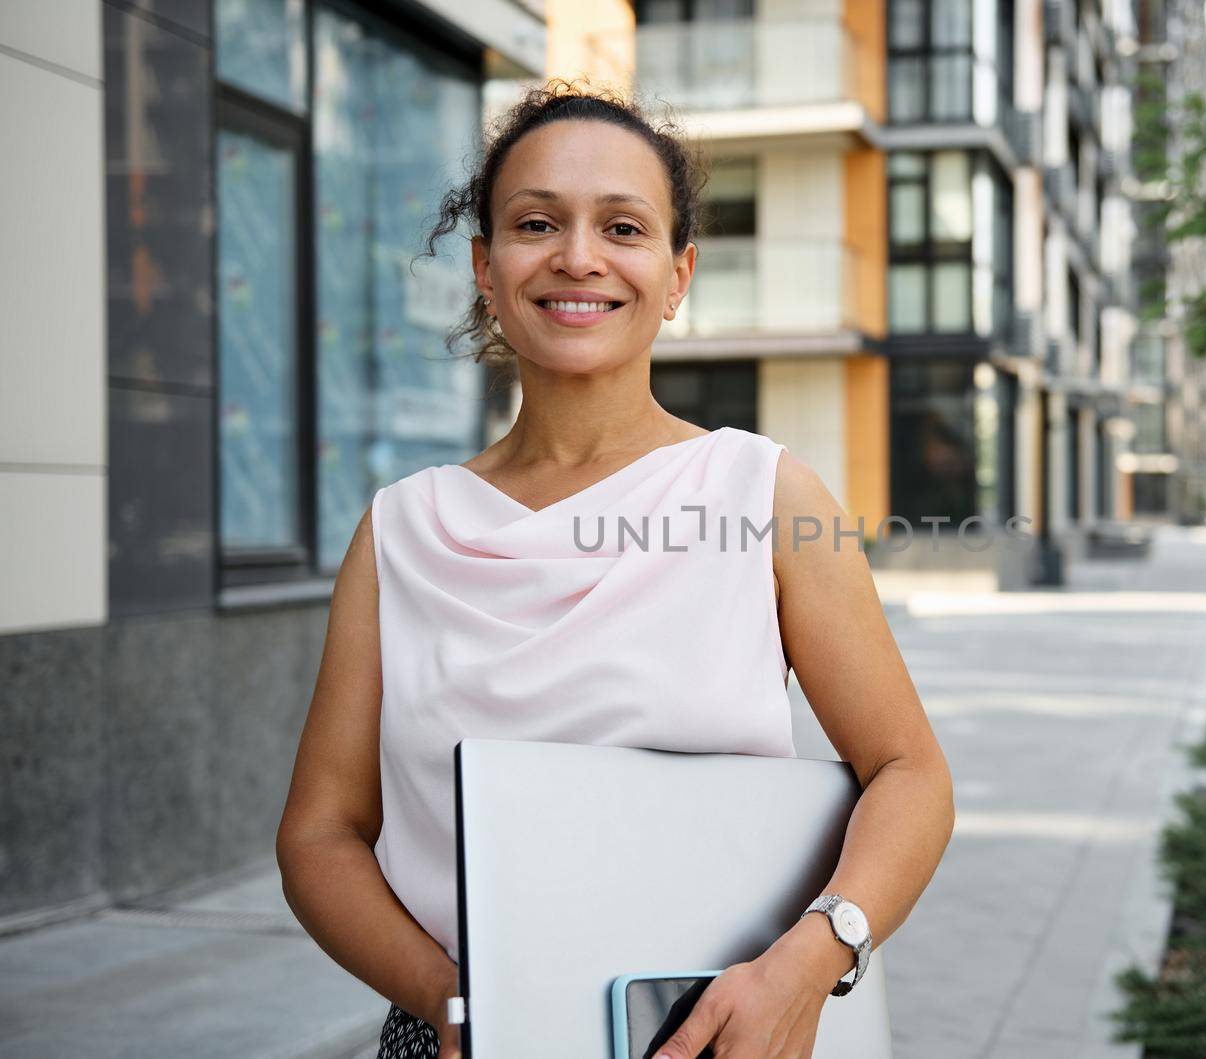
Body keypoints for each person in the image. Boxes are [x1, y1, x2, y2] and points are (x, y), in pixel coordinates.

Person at [275, 80, 955, 1059]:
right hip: (462, 1037)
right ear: (485, 264)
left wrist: (814, 960)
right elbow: (319, 836)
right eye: (536, 222)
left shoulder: (765, 497)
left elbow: (911, 772)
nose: (577, 257)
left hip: (724, 1026)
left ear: (677, 276)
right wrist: (454, 999)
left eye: (622, 227)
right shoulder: (399, 533)